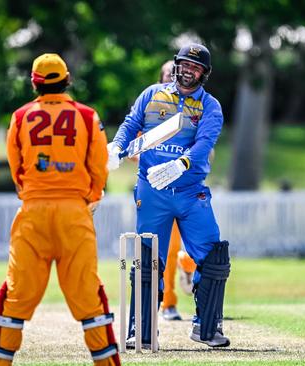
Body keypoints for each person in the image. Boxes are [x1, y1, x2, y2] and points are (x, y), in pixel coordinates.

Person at [0, 53, 119, 366]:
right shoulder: (87, 116)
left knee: (14, 299)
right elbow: (99, 165)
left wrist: (31, 191)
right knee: (89, 298)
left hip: (33, 212)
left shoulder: (19, 116)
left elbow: (15, 165)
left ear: (35, 83)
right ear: (67, 78)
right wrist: (91, 195)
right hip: (75, 212)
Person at [108, 43, 231, 348]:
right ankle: (142, 329)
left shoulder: (210, 107)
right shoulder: (152, 95)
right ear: (176, 66)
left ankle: (206, 328)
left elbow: (204, 143)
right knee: (148, 258)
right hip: (152, 191)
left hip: (191, 191)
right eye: (184, 64)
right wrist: (116, 147)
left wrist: (182, 164)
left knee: (214, 257)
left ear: (204, 73)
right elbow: (130, 124)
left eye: (196, 67)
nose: (188, 70)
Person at [154, 60, 197, 322]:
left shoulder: (194, 108)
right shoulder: (151, 108)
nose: (175, 78)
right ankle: (167, 303)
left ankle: (188, 265)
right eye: (170, 74)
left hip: (187, 188)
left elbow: (207, 150)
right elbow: (134, 150)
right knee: (166, 250)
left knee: (196, 245)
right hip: (158, 191)